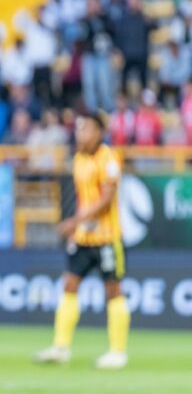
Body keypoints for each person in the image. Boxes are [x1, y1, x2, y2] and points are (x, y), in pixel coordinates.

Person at [35, 113, 131, 370]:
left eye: (86, 128)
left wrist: (73, 221)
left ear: (99, 132)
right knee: (69, 284)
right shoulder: (78, 160)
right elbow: (84, 198)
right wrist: (78, 227)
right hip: (83, 239)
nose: (81, 134)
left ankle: (117, 351)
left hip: (108, 238)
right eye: (78, 129)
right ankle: (60, 347)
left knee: (113, 290)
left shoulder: (109, 158)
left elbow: (105, 200)